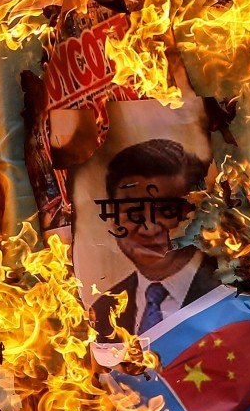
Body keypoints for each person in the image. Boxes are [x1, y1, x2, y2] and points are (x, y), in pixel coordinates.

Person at [90, 138, 219, 340]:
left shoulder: (233, 296)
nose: (148, 228)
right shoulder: (102, 312)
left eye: (166, 211)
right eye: (133, 211)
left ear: (199, 214)